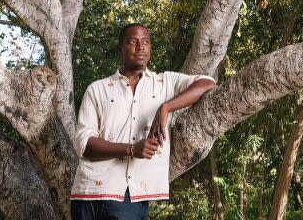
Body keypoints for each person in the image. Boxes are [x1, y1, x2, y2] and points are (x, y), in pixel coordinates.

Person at [70, 23, 217, 220]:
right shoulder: (97, 89)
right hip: (87, 193)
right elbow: (84, 144)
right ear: (120, 48)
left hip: (130, 197)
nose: (141, 47)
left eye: (145, 42)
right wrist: (131, 149)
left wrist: (165, 108)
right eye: (133, 42)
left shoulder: (165, 83)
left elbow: (207, 83)